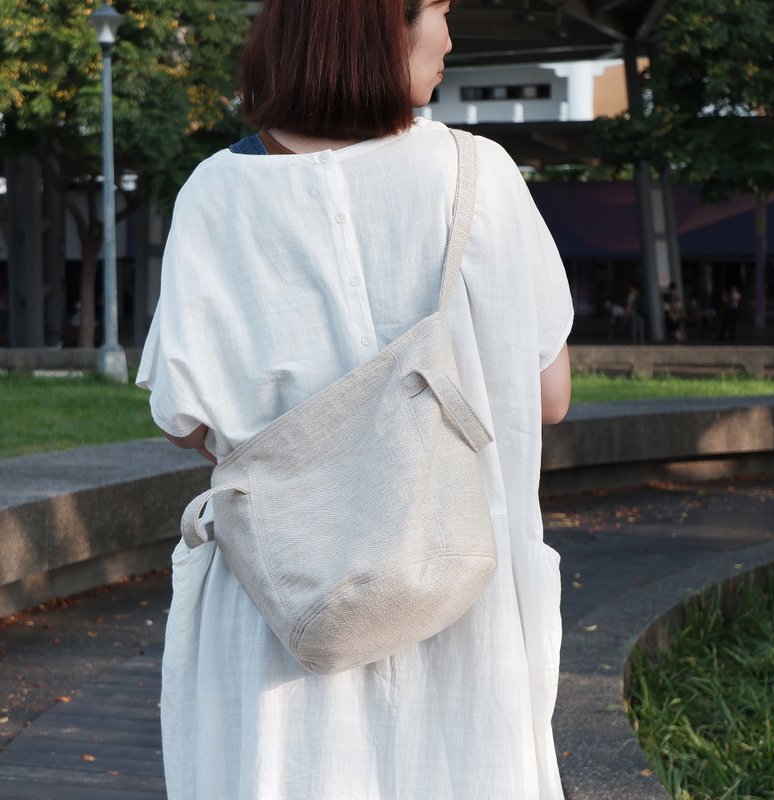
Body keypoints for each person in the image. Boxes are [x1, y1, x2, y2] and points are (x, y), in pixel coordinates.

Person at [137, 1, 573, 797]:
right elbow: (548, 396)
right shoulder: (480, 175)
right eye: (438, 10)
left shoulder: (216, 193)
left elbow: (185, 420)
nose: (450, 35)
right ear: (380, 26)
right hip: (458, 592)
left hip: (289, 608)